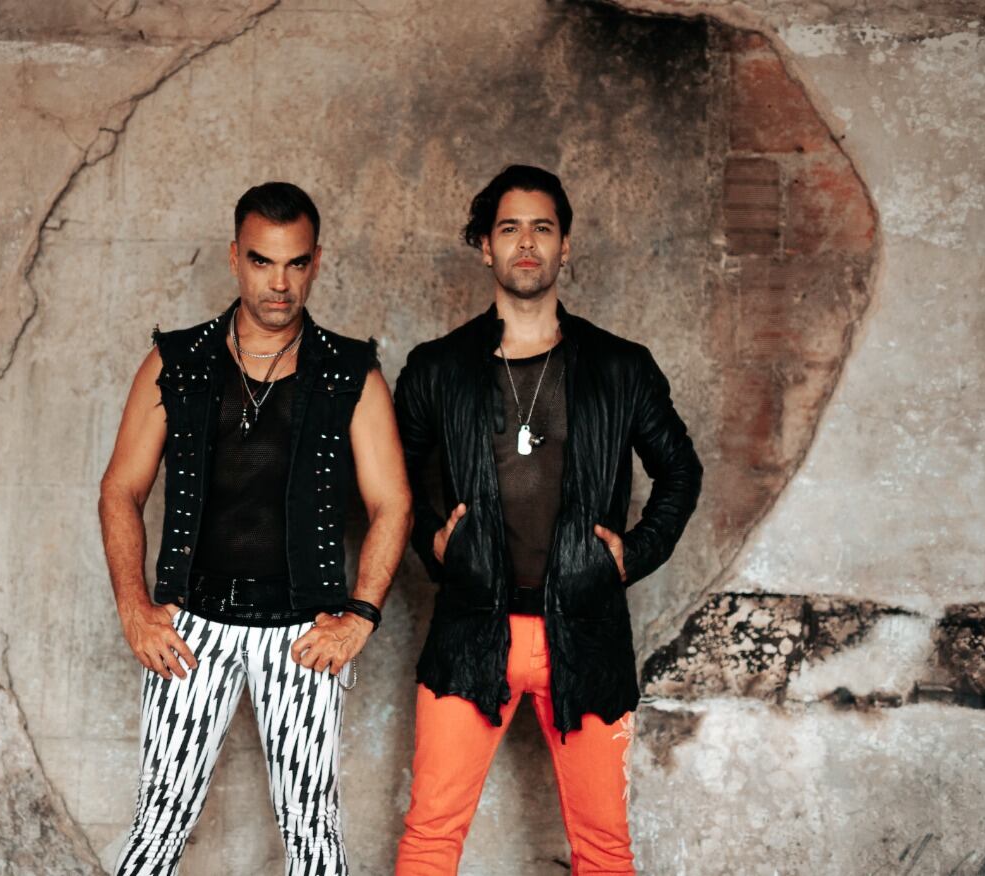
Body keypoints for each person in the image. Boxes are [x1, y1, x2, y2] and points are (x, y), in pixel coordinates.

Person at [393, 165, 702, 874]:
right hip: (471, 627)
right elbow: (391, 478)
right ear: (485, 246)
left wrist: (634, 552)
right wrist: (433, 541)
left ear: (566, 245)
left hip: (586, 630)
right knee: (431, 835)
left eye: (543, 228)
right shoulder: (438, 367)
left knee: (604, 846)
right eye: (509, 228)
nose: (526, 243)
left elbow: (681, 472)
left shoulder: (621, 367)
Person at [98, 181, 412, 876]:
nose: (280, 283)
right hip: (191, 625)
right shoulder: (177, 361)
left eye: (296, 263)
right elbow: (121, 487)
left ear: (317, 261)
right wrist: (133, 606)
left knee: (313, 835)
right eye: (263, 261)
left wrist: (360, 615)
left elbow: (393, 502)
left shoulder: (349, 373)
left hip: (302, 631)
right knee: (158, 826)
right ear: (234, 257)